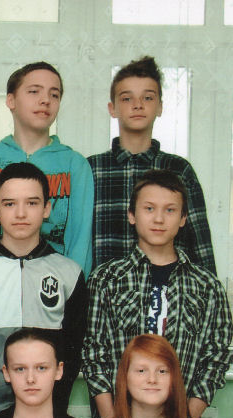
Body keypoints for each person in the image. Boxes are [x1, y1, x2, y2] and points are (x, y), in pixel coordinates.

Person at [82, 170, 231, 418]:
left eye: (170, 210)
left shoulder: (207, 286)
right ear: (132, 215)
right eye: (149, 208)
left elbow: (217, 354)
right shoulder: (106, 279)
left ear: (183, 218)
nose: (159, 219)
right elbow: (93, 352)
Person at [0, 162, 87, 418]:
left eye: (32, 203)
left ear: (47, 209)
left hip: (44, 411)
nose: (21, 213)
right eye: (10, 203)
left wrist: (58, 402)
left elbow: (72, 350)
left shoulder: (69, 273)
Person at [88, 55, 214, 273]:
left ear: (160, 107)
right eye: (127, 99)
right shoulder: (91, 169)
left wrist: (210, 286)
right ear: (112, 108)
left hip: (170, 289)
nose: (137, 105)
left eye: (147, 98)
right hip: (104, 290)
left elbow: (201, 245)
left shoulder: (179, 169)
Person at [0, 62, 94, 276]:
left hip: (54, 283)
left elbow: (80, 239)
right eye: (34, 91)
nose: (45, 100)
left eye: (54, 95)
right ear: (11, 100)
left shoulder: (74, 164)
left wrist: (72, 286)